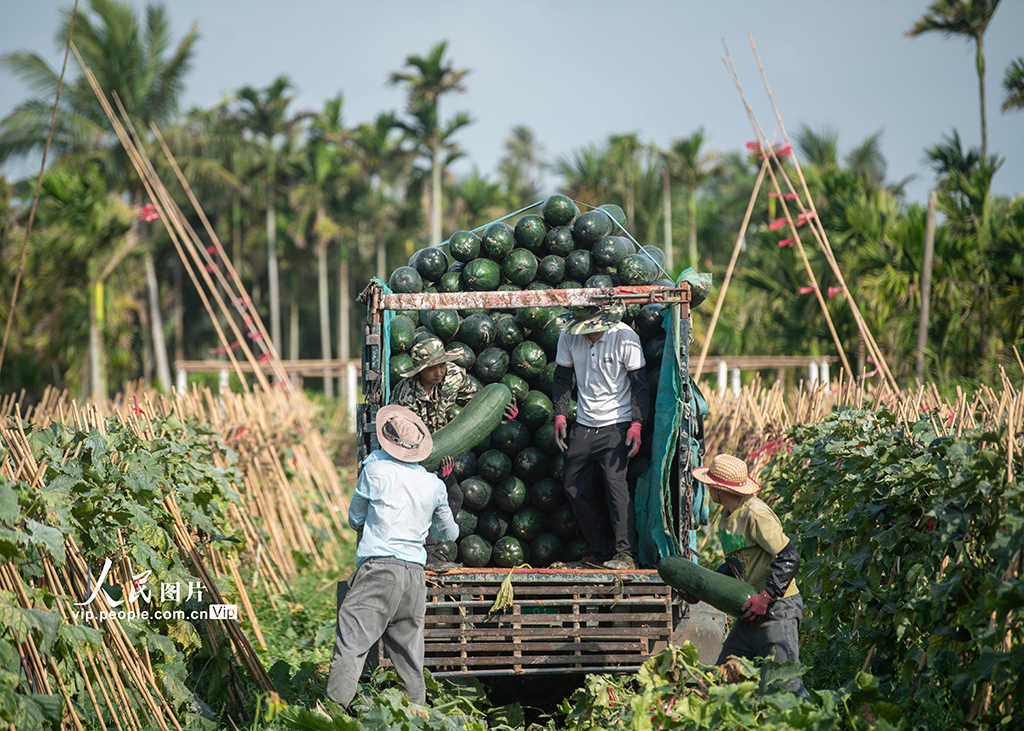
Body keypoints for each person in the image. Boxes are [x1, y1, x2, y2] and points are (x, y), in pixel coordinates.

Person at [325, 405, 459, 712]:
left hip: (379, 571)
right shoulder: (434, 485)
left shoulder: (374, 470)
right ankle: (416, 716)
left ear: (388, 442)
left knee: (352, 642)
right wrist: (443, 491)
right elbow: (450, 533)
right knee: (409, 656)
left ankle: (333, 716)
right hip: (414, 578)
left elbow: (355, 519)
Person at [690, 453, 810, 700]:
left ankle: (815, 719)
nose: (708, 488)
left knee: (785, 685)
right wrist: (699, 590)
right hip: (750, 611)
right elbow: (735, 565)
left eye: (710, 484)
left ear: (721, 489)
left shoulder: (755, 515)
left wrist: (766, 596)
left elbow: (789, 557)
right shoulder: (728, 515)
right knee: (723, 679)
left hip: (777, 610)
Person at [392, 336, 516, 571]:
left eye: (442, 365)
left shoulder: (453, 376)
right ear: (420, 371)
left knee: (455, 497)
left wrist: (503, 412)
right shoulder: (405, 395)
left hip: (441, 452)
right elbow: (400, 436)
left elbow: (482, 403)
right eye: (432, 368)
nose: (439, 372)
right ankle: (425, 553)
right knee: (425, 499)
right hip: (412, 456)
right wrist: (423, 465)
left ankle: (435, 549)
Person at [551, 303, 649, 571]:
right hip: (584, 424)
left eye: (593, 329)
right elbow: (562, 379)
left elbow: (640, 386)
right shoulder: (568, 336)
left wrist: (636, 424)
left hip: (617, 423)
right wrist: (560, 415)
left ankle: (626, 554)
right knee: (572, 486)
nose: (589, 334)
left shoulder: (625, 337)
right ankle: (600, 551)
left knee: (615, 487)